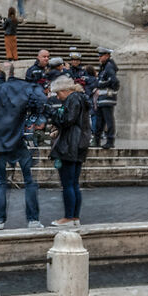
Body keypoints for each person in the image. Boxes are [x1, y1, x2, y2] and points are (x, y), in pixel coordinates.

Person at [0, 62, 47, 229]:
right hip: (20, 139)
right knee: (29, 180)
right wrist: (33, 120)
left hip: (0, 140)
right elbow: (42, 103)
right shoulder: (29, 88)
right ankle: (33, 219)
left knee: (1, 182)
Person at [47, 75, 90, 225]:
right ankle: (75, 217)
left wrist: (52, 114)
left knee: (68, 183)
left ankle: (68, 217)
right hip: (79, 144)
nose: (58, 97)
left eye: (58, 93)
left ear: (65, 90)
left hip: (70, 145)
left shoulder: (72, 99)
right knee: (74, 183)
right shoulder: (81, 99)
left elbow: (66, 120)